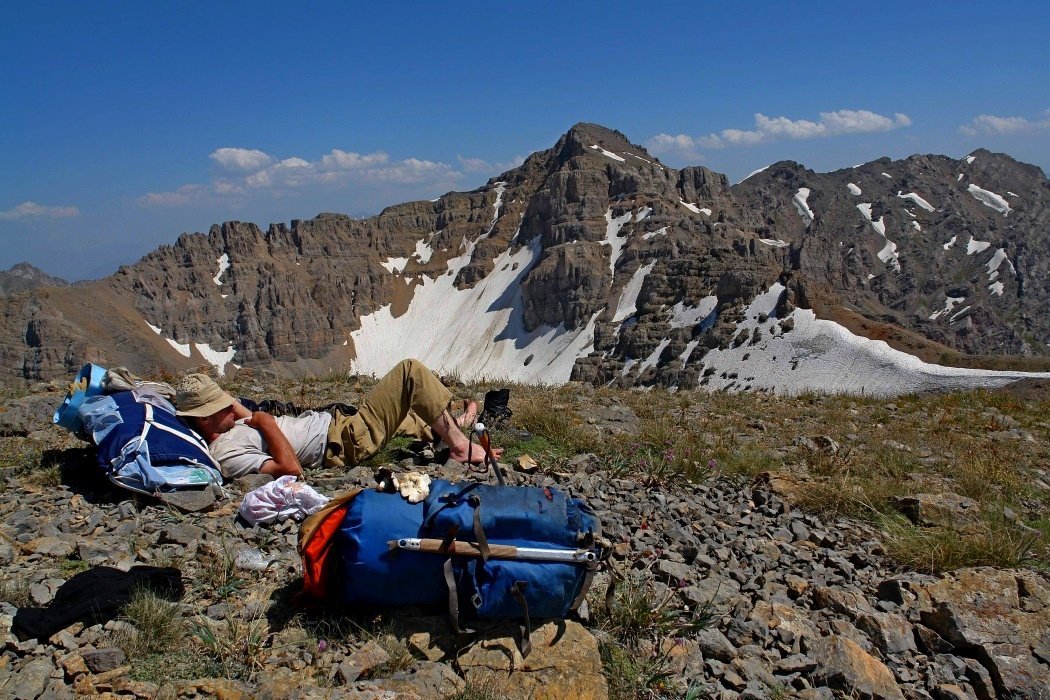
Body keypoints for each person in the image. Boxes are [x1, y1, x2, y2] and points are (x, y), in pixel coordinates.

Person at [175, 358, 502, 479]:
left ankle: (457, 424)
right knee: (409, 373)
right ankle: (459, 446)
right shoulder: (227, 455)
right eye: (221, 407)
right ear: (204, 420)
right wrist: (266, 423)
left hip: (339, 426)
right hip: (344, 442)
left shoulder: (229, 425)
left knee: (412, 419)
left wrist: (244, 414)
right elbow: (290, 470)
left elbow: (247, 414)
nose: (233, 408)